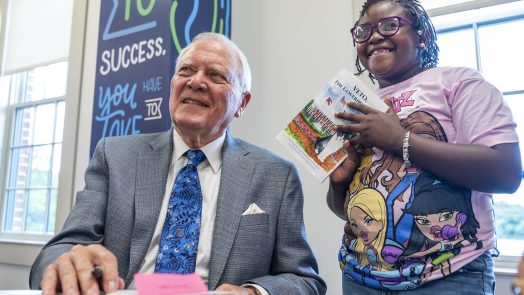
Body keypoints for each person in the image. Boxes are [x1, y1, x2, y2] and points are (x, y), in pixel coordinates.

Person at [30, 32, 326, 295]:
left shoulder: (277, 175)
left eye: (215, 75)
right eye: (186, 70)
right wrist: (67, 263)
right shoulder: (115, 155)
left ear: (242, 104)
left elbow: (304, 280)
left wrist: (253, 292)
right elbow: (58, 250)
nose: (196, 81)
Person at [326, 0, 522, 294]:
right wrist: (339, 185)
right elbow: (346, 213)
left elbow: (506, 173)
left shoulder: (458, 83)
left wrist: (399, 140)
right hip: (360, 278)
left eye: (390, 25)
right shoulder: (357, 107)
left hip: (449, 276)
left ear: (422, 36)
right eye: (363, 31)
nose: (375, 36)